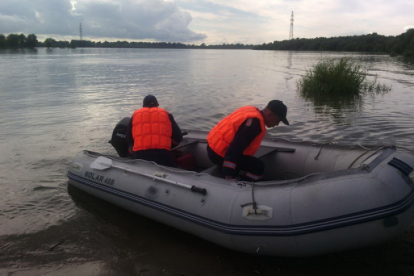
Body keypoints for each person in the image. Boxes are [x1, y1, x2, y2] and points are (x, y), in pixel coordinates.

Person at [206, 100, 289, 181]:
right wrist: (228, 175)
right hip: (219, 154)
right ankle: (243, 185)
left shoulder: (251, 111)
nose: (277, 124)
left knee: (246, 161)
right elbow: (235, 149)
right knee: (259, 167)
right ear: (269, 114)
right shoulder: (254, 125)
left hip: (213, 147)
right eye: (278, 120)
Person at [128, 95, 183, 167]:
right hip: (162, 154)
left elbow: (129, 138)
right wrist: (169, 145)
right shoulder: (166, 114)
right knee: (175, 171)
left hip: (140, 155)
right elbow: (179, 137)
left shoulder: (135, 115)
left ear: (143, 106)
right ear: (157, 105)